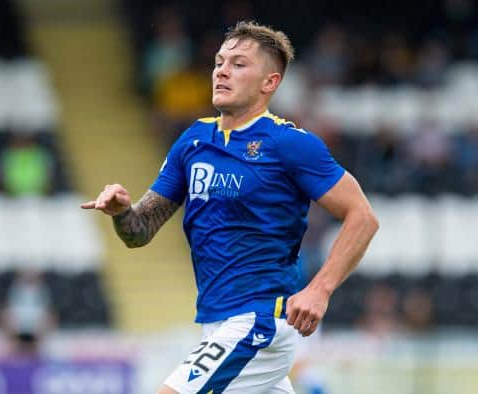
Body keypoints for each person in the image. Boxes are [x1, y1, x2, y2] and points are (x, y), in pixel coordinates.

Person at [82, 21, 379, 393]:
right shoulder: (193, 142)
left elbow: (363, 217)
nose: (221, 70)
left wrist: (320, 289)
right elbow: (138, 233)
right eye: (219, 61)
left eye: (238, 64)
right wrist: (122, 212)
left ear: (269, 82)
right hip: (217, 321)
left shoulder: (289, 144)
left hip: (258, 323)